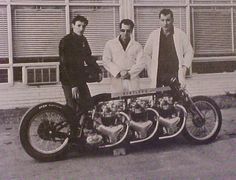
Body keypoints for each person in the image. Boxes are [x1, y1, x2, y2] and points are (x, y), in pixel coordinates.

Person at [59, 15, 102, 136]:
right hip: (69, 80)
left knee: (87, 105)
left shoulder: (83, 40)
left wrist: (98, 71)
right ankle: (71, 138)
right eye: (79, 25)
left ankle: (84, 135)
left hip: (80, 79)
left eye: (83, 26)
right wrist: (73, 85)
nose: (81, 28)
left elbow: (88, 57)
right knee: (73, 109)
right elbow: (65, 65)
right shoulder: (65, 41)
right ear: (73, 26)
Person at [144, 8, 194, 89]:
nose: (165, 23)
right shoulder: (154, 35)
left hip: (175, 73)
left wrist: (185, 67)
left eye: (168, 20)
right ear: (159, 21)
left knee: (177, 99)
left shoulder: (180, 34)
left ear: (173, 20)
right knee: (159, 99)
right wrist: (150, 68)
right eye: (162, 20)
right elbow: (146, 53)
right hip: (159, 74)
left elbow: (189, 51)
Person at [102, 19, 146, 93]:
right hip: (117, 78)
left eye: (128, 31)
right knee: (117, 102)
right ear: (119, 30)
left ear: (132, 31)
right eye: (123, 30)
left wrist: (130, 73)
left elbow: (141, 63)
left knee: (133, 101)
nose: (125, 33)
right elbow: (106, 61)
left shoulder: (137, 46)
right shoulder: (110, 44)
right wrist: (118, 72)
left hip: (132, 79)